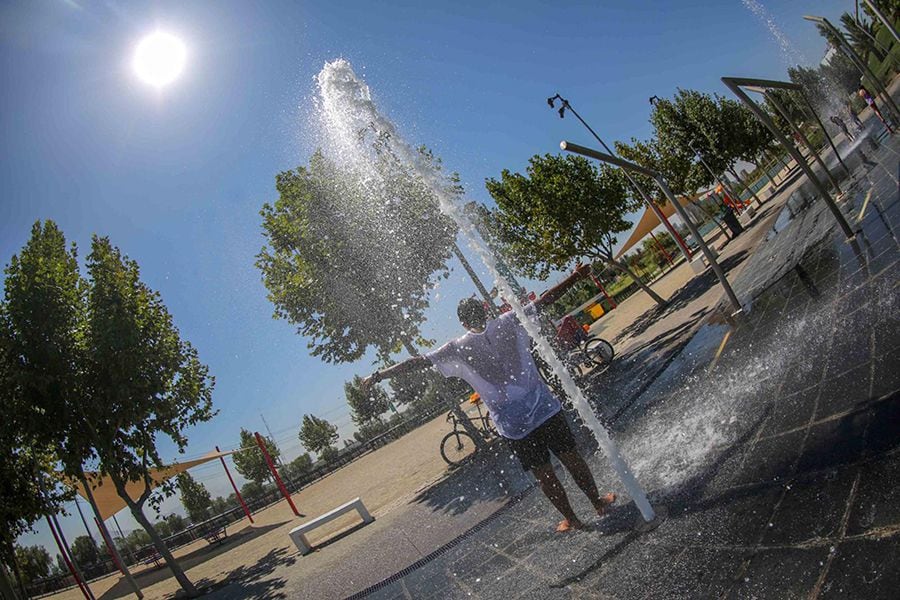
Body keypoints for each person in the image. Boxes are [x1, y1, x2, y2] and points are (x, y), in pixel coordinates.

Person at [363, 264, 616, 532]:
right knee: (572, 457)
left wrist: (379, 375)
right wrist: (576, 276)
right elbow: (545, 300)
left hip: (515, 427)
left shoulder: (457, 348)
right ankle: (597, 503)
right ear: (485, 309)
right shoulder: (511, 320)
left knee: (545, 475)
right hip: (545, 410)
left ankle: (573, 520)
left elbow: (418, 362)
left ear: (462, 323)